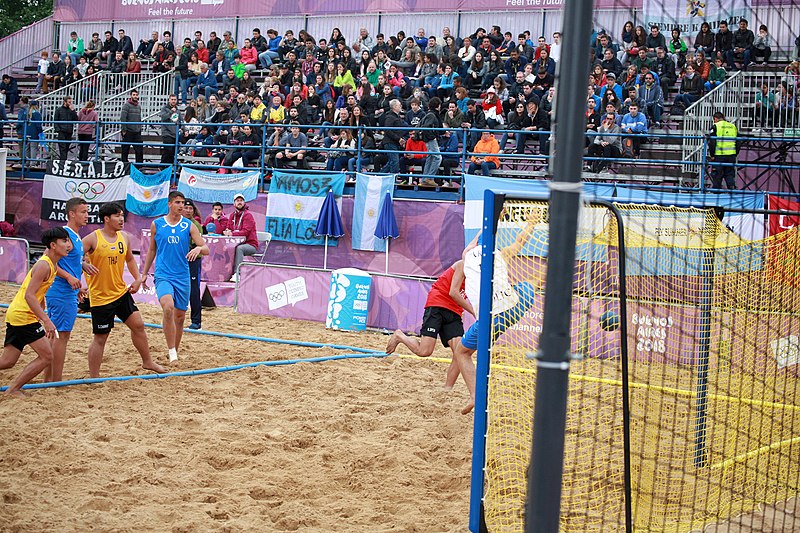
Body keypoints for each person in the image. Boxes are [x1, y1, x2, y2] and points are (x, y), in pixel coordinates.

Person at [452, 212, 542, 414]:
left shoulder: (466, 258)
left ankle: (475, 396)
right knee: (535, 281)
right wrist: (531, 224)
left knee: (462, 352)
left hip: (490, 318)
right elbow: (520, 241)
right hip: (514, 306)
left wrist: (493, 218)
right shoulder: (500, 253)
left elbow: (474, 243)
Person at [83, 203, 167, 377]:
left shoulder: (124, 237)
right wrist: (83, 264)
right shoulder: (93, 238)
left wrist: (137, 279)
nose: (121, 219)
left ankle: (147, 362)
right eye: (117, 216)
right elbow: (71, 256)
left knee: (138, 325)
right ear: (106, 219)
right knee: (100, 338)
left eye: (122, 215)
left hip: (121, 293)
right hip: (101, 297)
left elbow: (129, 259)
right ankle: (94, 376)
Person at [0, 228, 72, 397]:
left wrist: (42, 314)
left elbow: (38, 294)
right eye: (64, 241)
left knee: (7, 361)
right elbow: (29, 295)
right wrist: (45, 320)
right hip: (23, 316)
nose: (68, 245)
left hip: (19, 314)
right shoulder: (44, 265)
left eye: (68, 241)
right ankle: (13, 389)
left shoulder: (52, 264)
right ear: (53, 245)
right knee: (47, 356)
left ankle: (14, 389)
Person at [386, 259, 475, 389]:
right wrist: (474, 312)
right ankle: (400, 336)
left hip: (454, 310)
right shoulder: (464, 264)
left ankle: (447, 389)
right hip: (438, 304)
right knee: (424, 351)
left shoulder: (480, 275)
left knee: (460, 352)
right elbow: (453, 292)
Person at [141, 192, 209, 362]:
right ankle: (171, 350)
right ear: (170, 204)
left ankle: (174, 353)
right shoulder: (157, 224)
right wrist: (144, 274)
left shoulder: (189, 225)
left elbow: (206, 248)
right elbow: (151, 250)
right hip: (163, 274)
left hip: (182, 276)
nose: (181, 206)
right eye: (177, 202)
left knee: (179, 317)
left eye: (183, 203)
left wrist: (198, 249)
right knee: (168, 307)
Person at [42, 198, 95, 382]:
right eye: (83, 212)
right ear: (72, 214)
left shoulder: (76, 236)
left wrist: (80, 267)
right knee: (60, 335)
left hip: (68, 290)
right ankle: (54, 379)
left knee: (59, 334)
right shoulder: (65, 234)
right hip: (60, 290)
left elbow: (66, 261)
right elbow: (47, 260)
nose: (86, 215)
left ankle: (50, 378)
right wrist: (69, 277)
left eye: (87, 212)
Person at [225, 193, 258, 280]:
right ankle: (225, 273)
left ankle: (237, 274)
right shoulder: (232, 215)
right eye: (237, 201)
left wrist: (232, 233)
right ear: (234, 204)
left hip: (250, 244)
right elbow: (228, 228)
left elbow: (245, 232)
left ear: (244, 203)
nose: (239, 202)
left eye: (241, 200)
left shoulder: (248, 215)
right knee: (225, 247)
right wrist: (227, 231)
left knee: (240, 248)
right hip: (235, 243)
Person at [708, 111, 738, 189]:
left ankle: (716, 193)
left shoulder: (715, 126)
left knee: (717, 175)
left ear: (715, 119)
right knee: (729, 174)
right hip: (731, 155)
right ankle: (732, 191)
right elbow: (738, 141)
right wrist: (735, 153)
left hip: (719, 155)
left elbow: (712, 142)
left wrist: (712, 155)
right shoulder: (732, 126)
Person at [419, 96, 443, 181]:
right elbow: (426, 128)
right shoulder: (432, 115)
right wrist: (433, 137)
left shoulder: (430, 114)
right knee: (437, 158)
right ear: (438, 105)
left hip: (428, 139)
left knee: (431, 157)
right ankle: (430, 178)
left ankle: (425, 179)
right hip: (431, 140)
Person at [120, 89, 143, 164]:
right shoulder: (126, 106)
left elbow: (139, 118)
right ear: (131, 96)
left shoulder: (139, 106)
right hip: (128, 131)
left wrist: (139, 128)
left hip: (137, 132)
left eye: (136, 95)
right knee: (125, 150)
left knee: (139, 150)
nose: (135, 96)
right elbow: (123, 118)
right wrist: (124, 130)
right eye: (134, 95)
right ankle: (124, 165)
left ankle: (139, 166)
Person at [53, 96, 78, 161]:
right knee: (62, 147)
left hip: (69, 131)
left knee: (67, 147)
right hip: (62, 131)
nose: (70, 103)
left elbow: (76, 119)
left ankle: (64, 160)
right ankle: (63, 161)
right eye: (69, 102)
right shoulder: (59, 110)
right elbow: (55, 120)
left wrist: (73, 111)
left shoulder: (71, 110)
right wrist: (58, 130)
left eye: (71, 102)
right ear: (65, 102)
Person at [160, 94, 179, 167]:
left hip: (175, 134)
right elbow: (163, 117)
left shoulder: (177, 110)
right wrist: (171, 112)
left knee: (172, 153)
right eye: (172, 99)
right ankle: (162, 166)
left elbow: (180, 120)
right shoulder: (164, 108)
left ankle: (170, 168)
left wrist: (184, 129)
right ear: (169, 100)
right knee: (168, 150)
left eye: (175, 99)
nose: (173, 101)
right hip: (167, 133)